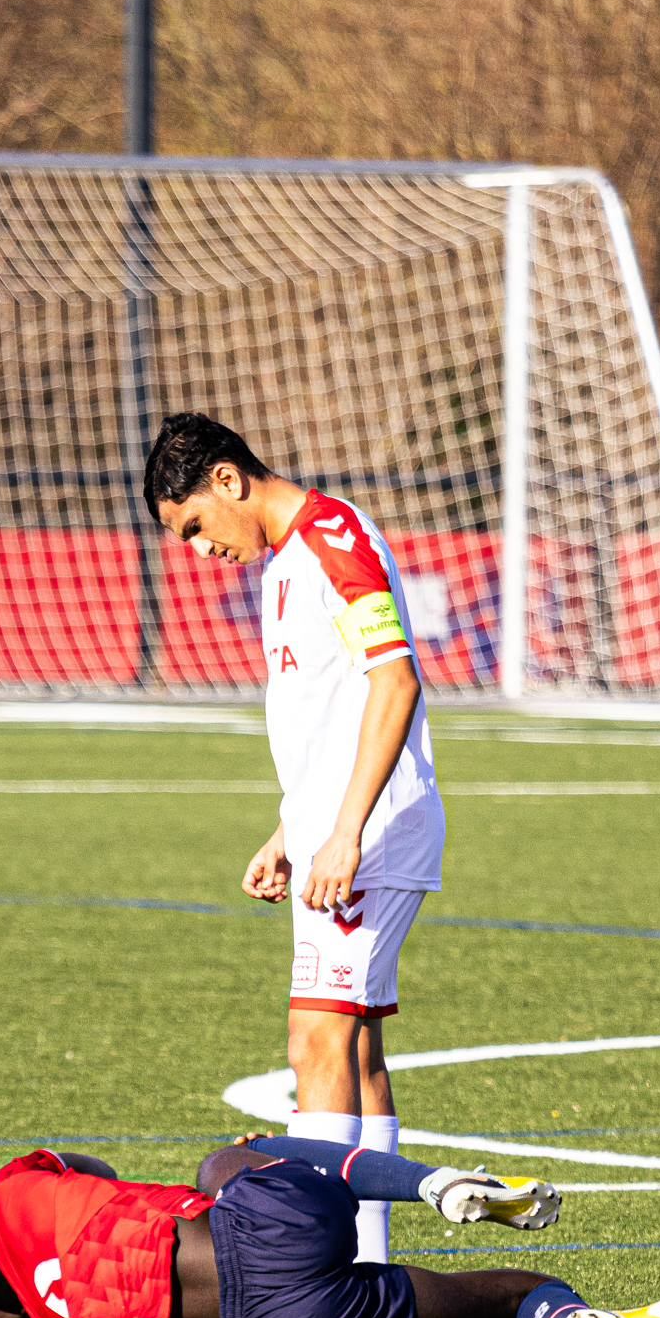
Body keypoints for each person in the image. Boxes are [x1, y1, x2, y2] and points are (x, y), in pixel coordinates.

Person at [143, 413, 446, 1268]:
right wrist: (290, 832)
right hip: (334, 830)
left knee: (313, 1044)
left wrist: (344, 833)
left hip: (368, 833)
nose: (199, 549)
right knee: (354, 1048)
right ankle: (367, 1267)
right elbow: (331, 716)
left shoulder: (333, 540)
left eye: (194, 526)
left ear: (227, 479)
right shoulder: (285, 560)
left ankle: (321, 1274)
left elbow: (394, 683)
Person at [0, 1139, 660, 1318]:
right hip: (259, 1233)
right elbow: (90, 1170)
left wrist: (18, 1312)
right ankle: (436, 1185)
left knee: (513, 1293)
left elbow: (36, 1287)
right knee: (229, 1156)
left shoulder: (56, 1316)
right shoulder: (12, 1196)